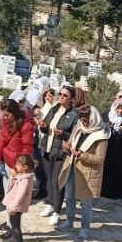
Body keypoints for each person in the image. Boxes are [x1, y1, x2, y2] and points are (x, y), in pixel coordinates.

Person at [57, 99, 110, 240]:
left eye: (86, 120)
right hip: (72, 167)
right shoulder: (79, 127)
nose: (83, 122)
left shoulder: (101, 135)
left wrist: (81, 154)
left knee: (85, 202)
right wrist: (66, 147)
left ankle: (85, 228)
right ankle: (69, 221)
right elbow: (71, 143)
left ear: (93, 119)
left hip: (87, 173)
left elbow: (99, 159)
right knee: (69, 197)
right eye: (82, 119)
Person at [36, 84, 78, 226]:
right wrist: (42, 125)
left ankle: (57, 211)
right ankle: (50, 203)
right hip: (47, 148)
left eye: (65, 95)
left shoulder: (74, 114)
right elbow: (45, 126)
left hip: (60, 151)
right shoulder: (54, 109)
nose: (61, 97)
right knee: (48, 179)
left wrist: (63, 134)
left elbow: (74, 134)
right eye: (60, 94)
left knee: (57, 181)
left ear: (71, 99)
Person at [0, 99, 34, 231]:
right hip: (7, 163)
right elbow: (0, 142)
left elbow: (27, 148)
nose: (4, 117)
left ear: (14, 113)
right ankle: (8, 223)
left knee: (15, 199)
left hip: (18, 167)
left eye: (7, 115)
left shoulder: (26, 125)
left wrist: (18, 168)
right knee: (7, 196)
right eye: (3, 114)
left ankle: (12, 229)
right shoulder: (6, 123)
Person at [0, 154, 36, 242]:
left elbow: (20, 195)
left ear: (25, 167)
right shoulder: (22, 176)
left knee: (15, 226)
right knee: (13, 224)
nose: (16, 166)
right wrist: (13, 176)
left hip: (17, 207)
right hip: (15, 206)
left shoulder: (25, 180)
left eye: (18, 165)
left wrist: (14, 208)